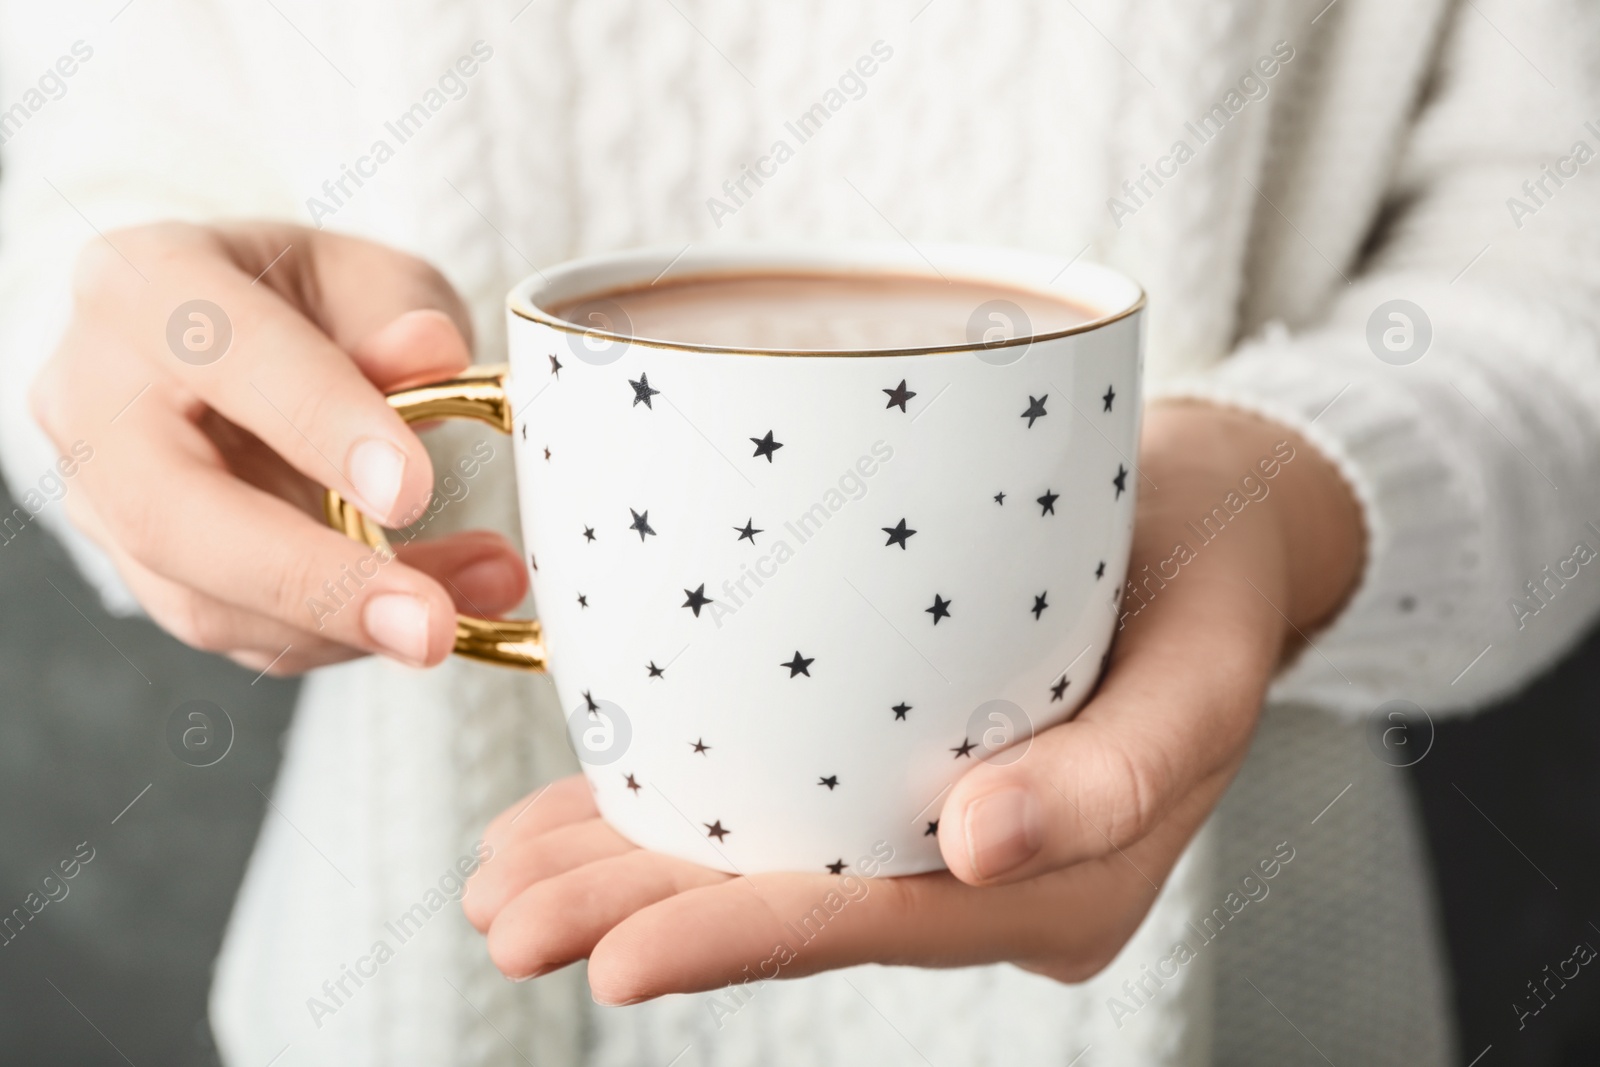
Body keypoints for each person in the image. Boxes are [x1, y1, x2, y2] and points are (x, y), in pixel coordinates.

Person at [3, 1, 1598, 1063]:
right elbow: (67, 189)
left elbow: (1553, 276)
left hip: (1236, 983)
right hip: (412, 971)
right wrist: (166, 389)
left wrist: (1270, 509)